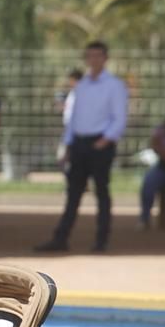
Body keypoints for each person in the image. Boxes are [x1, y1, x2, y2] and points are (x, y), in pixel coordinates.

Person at [36, 41, 128, 253]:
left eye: (98, 55)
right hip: (79, 144)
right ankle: (61, 239)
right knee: (73, 193)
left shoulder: (114, 85)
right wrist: (68, 146)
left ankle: (101, 240)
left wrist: (104, 141)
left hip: (100, 144)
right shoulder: (82, 86)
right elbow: (74, 119)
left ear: (105, 58)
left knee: (102, 192)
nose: (93, 60)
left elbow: (119, 118)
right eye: (90, 56)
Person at [139, 119, 165, 230]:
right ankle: (144, 219)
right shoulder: (162, 128)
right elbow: (154, 143)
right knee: (148, 183)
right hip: (162, 167)